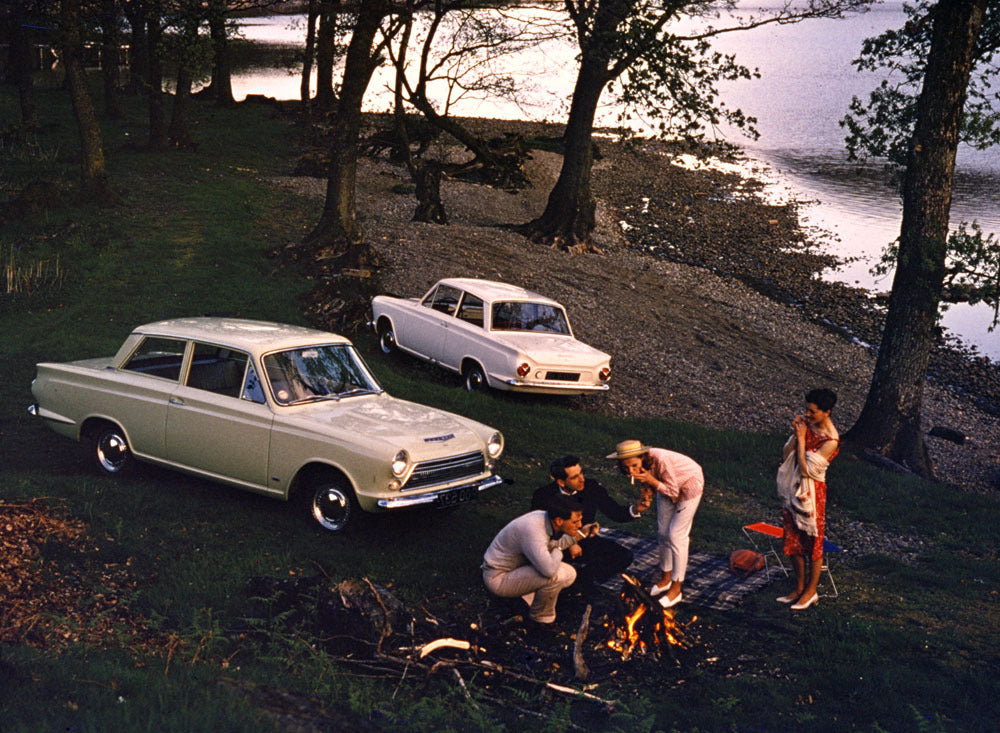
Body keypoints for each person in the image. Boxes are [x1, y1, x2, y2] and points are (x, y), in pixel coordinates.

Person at [531, 455, 652, 591]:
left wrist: (636, 508)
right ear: (561, 482)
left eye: (581, 473)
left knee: (623, 556)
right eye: (574, 477)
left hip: (585, 537)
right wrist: (571, 543)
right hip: (555, 543)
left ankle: (582, 582)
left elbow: (614, 511)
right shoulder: (543, 496)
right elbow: (539, 530)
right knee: (547, 568)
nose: (582, 479)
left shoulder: (591, 487)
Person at [607, 440, 704, 609]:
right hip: (665, 484)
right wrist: (646, 493)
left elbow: (673, 491)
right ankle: (666, 578)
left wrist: (651, 480)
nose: (631, 471)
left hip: (689, 484)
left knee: (676, 535)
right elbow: (650, 482)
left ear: (642, 457)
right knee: (663, 533)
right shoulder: (639, 465)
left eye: (634, 465)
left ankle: (676, 588)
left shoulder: (661, 459)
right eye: (626, 467)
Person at [776, 388, 839, 611]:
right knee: (792, 537)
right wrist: (796, 434)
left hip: (812, 490)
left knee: (813, 541)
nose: (808, 415)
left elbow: (806, 471)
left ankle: (811, 591)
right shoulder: (806, 426)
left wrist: (802, 439)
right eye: (807, 410)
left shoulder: (831, 440)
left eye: (813, 412)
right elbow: (786, 456)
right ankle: (799, 587)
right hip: (793, 486)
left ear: (827, 412)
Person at [481, 494, 584, 627]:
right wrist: (558, 549)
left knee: (570, 573)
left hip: (516, 570)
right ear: (559, 520)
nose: (580, 525)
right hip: (498, 578)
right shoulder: (534, 530)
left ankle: (525, 598)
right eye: (575, 522)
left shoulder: (544, 518)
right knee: (558, 575)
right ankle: (540, 620)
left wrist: (581, 534)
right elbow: (549, 570)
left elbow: (550, 545)